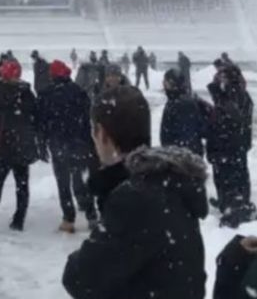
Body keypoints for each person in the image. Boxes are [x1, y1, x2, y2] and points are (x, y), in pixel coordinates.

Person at [62, 86, 208, 299]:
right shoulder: (169, 181)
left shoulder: (134, 198)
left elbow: (80, 279)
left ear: (101, 134)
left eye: (94, 131)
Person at [0, 60, 39, 232]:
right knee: (21, 184)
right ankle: (18, 219)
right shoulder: (25, 92)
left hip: (4, 146)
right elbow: (34, 117)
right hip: (20, 145)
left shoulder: (0, 92)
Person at [37, 60, 98, 233]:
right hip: (79, 143)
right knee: (78, 180)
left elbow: (41, 123)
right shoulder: (78, 92)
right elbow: (87, 120)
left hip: (58, 144)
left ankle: (68, 218)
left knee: (63, 182)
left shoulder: (46, 94)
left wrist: (42, 145)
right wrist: (88, 142)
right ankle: (91, 215)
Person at [208, 65, 255, 228]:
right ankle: (228, 203)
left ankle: (234, 207)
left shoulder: (235, 96)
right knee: (232, 176)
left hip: (229, 147)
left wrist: (218, 147)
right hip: (234, 146)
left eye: (221, 77)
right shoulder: (234, 94)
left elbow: (226, 118)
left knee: (230, 177)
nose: (219, 80)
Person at [160, 69, 207, 157]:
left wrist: (175, 153)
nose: (163, 84)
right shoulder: (175, 100)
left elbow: (187, 134)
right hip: (178, 154)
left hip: (182, 159)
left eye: (165, 81)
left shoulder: (182, 103)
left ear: (171, 82)